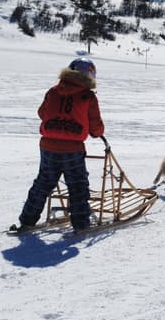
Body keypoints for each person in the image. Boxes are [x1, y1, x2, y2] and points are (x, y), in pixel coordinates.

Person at [15, 57, 105, 233]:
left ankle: (27, 220)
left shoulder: (53, 91)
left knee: (43, 183)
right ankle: (81, 225)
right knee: (77, 186)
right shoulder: (87, 96)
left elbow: (42, 113)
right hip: (72, 148)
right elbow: (95, 127)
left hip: (48, 146)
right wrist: (96, 132)